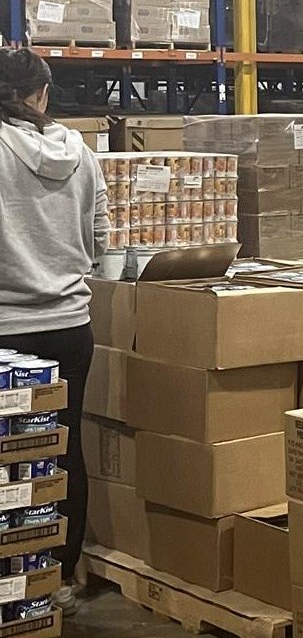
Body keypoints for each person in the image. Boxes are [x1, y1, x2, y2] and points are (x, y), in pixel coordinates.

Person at [0, 49, 107, 615]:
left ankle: (11, 581)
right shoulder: (81, 152)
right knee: (62, 451)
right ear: (41, 93)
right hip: (70, 327)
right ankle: (58, 581)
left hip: (6, 333)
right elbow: (101, 240)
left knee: (8, 459)